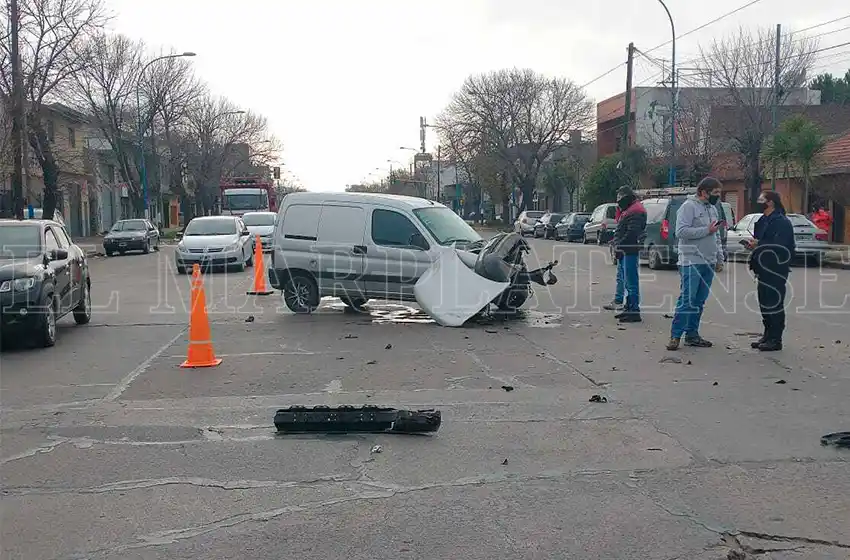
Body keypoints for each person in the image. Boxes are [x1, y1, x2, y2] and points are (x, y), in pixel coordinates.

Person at [667, 177, 725, 350]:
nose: (717, 196)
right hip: (691, 260)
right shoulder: (688, 207)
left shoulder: (713, 209)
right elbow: (681, 232)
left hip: (708, 260)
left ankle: (692, 334)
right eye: (715, 193)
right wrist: (706, 230)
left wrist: (719, 257)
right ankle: (675, 335)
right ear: (703, 192)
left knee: (699, 301)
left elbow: (716, 236)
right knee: (687, 300)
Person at [746, 191, 795, 351]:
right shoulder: (762, 220)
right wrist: (753, 245)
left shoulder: (781, 222)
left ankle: (776, 339)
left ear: (771, 202)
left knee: (774, 303)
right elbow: (761, 241)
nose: (758, 201)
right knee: (764, 302)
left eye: (761, 199)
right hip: (762, 266)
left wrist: (759, 244)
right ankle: (767, 335)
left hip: (776, 268)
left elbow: (781, 246)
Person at [611, 186, 646, 323]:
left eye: (620, 198)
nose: (618, 202)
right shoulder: (630, 209)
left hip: (629, 250)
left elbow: (631, 233)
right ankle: (629, 307)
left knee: (631, 282)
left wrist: (619, 246)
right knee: (627, 280)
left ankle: (633, 311)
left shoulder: (636, 211)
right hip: (626, 249)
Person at [604, 206, 626, 312]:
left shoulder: (628, 214)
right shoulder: (626, 213)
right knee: (621, 276)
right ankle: (619, 300)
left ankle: (624, 303)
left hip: (626, 249)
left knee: (626, 278)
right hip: (623, 248)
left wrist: (618, 243)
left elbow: (625, 232)